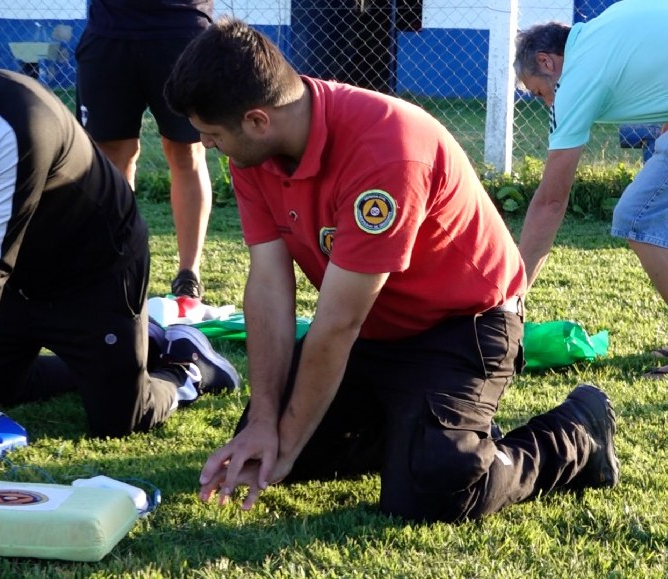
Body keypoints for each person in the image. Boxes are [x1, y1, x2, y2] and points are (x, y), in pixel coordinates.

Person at [163, 17, 619, 522]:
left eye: (210, 135)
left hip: (462, 325)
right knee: (269, 450)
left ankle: (578, 430)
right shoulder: (252, 155)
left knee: (434, 490)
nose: (206, 146)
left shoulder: (386, 149)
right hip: (375, 328)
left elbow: (337, 325)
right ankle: (410, 428)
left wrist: (287, 440)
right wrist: (266, 421)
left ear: (257, 120)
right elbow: (269, 286)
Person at [0, 40, 239, 440]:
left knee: (120, 420)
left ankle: (187, 365)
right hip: (23, 279)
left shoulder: (12, 121)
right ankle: (133, 347)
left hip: (97, 271)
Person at [513, 0, 668, 378]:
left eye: (539, 93)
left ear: (548, 62)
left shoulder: (577, 78)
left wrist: (511, 297)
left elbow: (550, 202)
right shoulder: (603, 27)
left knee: (637, 215)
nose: (547, 103)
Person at [75, 0, 214, 299]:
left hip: (181, 28)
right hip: (111, 30)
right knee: (110, 158)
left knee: (186, 152)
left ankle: (189, 274)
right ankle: (117, 265)